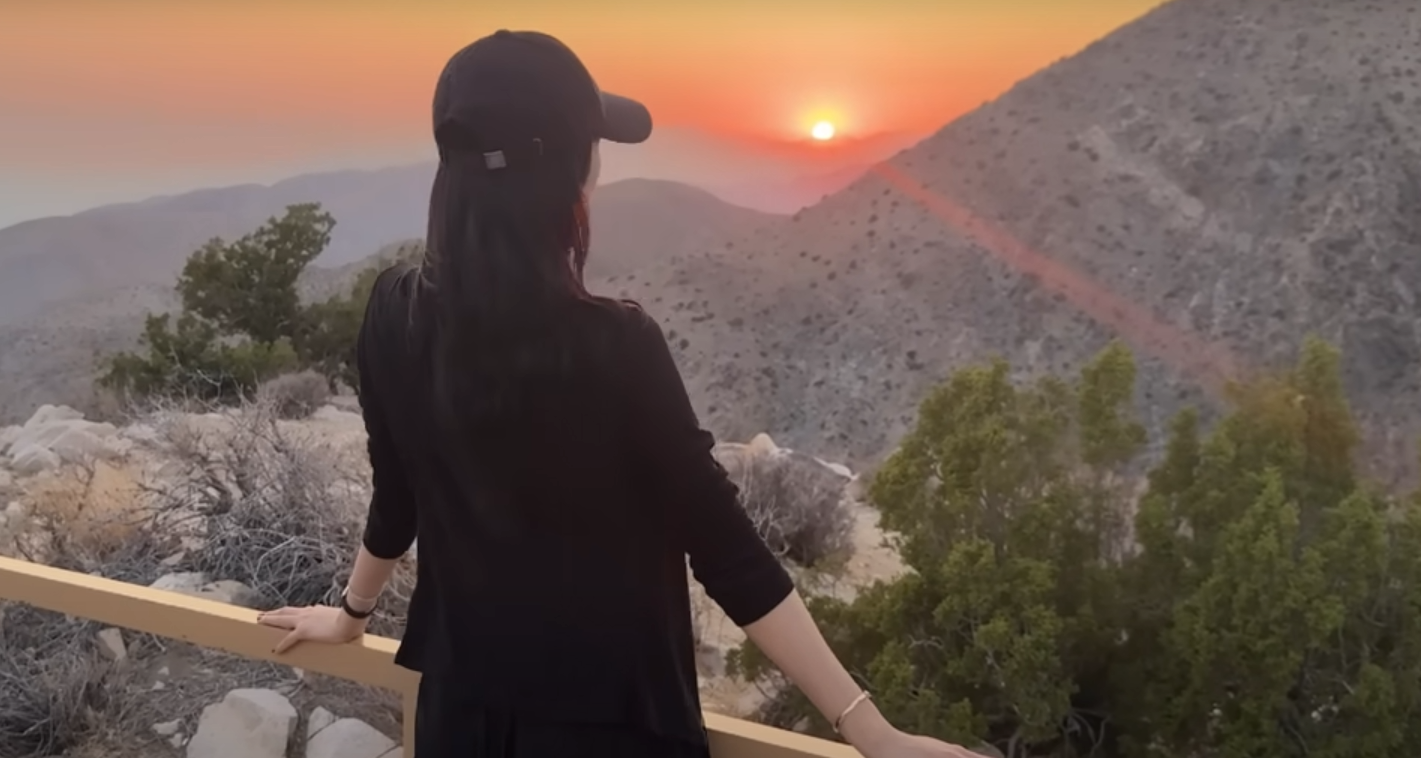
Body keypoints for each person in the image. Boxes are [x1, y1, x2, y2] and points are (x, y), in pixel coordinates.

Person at [257, 29, 989, 758]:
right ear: (568, 171)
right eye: (593, 144)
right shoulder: (615, 347)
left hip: (458, 718)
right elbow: (725, 549)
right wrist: (870, 731)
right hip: (611, 729)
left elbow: (398, 494)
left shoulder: (394, 313)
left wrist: (352, 614)